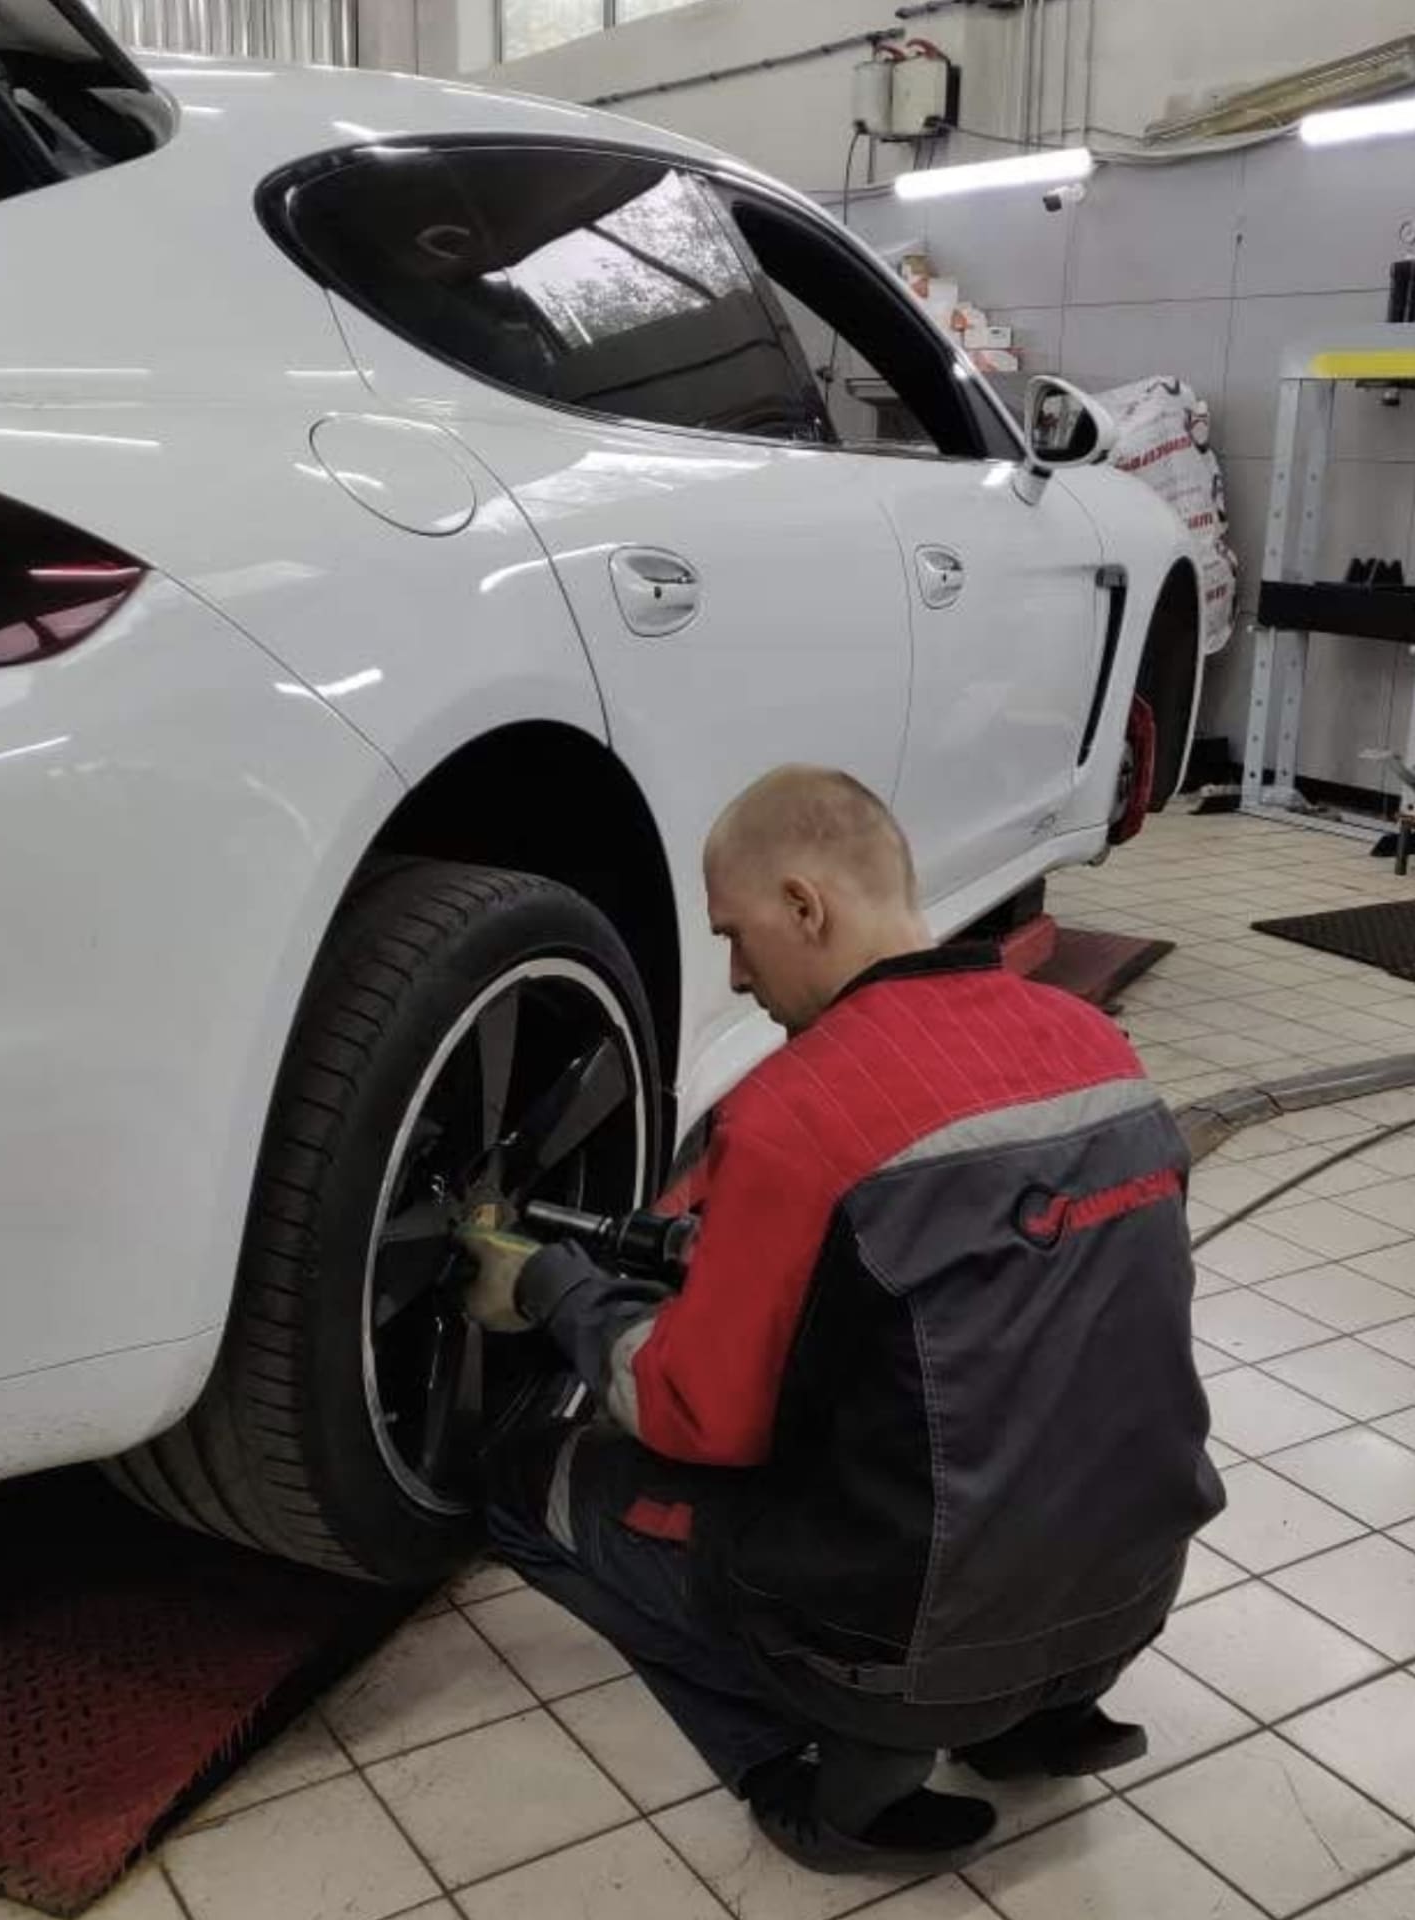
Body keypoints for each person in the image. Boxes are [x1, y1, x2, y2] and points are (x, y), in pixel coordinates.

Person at [458, 765, 1224, 1873]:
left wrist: (555, 1291)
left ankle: (822, 1780)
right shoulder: (1097, 1049)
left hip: (904, 1650)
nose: (736, 974)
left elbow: (695, 1418)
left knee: (525, 1479)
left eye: (736, 936)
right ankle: (1036, 1721)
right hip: (1133, 1599)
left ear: (804, 905)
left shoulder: (795, 1114)